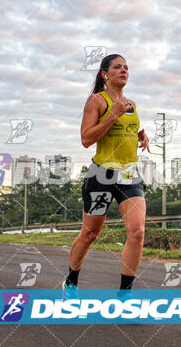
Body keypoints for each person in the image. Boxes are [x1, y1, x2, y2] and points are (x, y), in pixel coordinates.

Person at [64, 54, 150, 299]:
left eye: (126, 67)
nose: (124, 70)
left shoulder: (131, 103)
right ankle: (71, 281)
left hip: (130, 176)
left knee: (137, 232)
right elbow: (86, 138)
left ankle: (125, 294)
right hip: (102, 176)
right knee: (90, 234)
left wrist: (141, 135)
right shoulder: (96, 101)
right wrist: (112, 114)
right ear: (105, 74)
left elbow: (130, 127)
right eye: (117, 67)